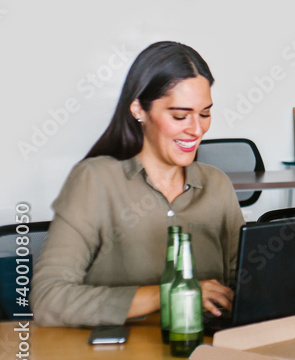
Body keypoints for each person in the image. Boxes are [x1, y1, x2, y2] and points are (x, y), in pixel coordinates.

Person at [32, 42, 243, 327]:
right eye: (180, 115)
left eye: (204, 113)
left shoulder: (216, 184)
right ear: (138, 110)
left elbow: (246, 281)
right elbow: (48, 300)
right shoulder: (95, 181)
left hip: (206, 357)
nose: (197, 129)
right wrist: (170, 295)